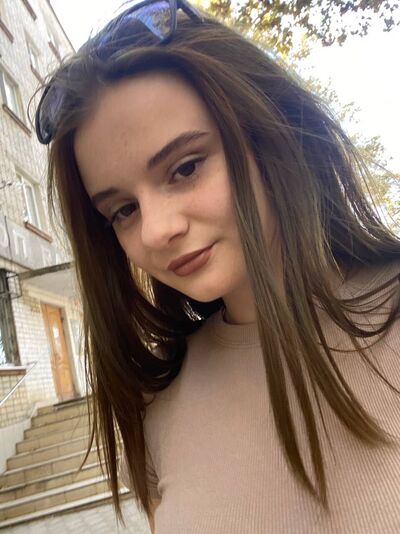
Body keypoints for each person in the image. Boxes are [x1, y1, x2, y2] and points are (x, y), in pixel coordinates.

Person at [33, 1, 400, 532]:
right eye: (123, 210)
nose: (155, 231)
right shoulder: (159, 410)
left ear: (270, 132)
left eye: (185, 167)